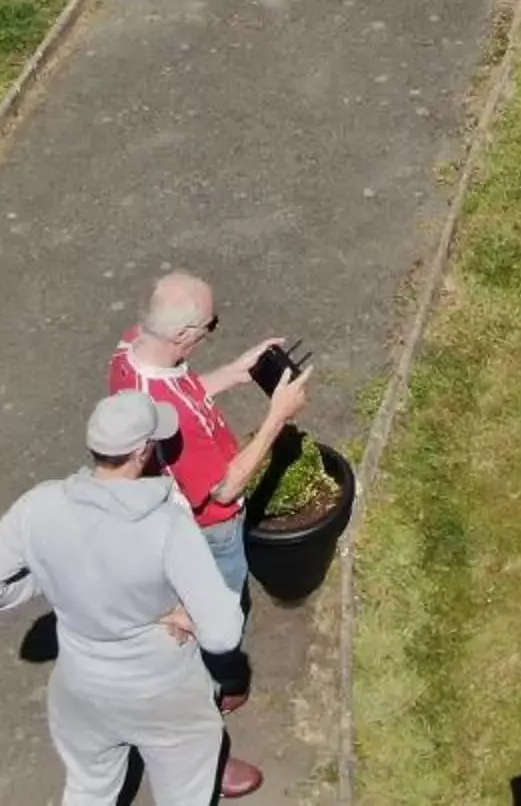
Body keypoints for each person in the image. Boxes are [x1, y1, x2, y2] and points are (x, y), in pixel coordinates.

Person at [0, 388, 263, 801]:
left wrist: (48, 578)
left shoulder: (38, 506)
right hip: (164, 692)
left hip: (80, 692)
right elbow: (223, 634)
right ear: (142, 452)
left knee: (89, 790)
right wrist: (188, 618)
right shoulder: (167, 525)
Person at [109, 270, 311, 712]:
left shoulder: (132, 352)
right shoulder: (178, 421)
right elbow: (224, 490)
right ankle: (221, 681)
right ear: (181, 335)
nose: (210, 333)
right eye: (208, 327)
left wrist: (237, 372)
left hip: (166, 506)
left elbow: (185, 388)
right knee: (218, 609)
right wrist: (277, 416)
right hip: (211, 529)